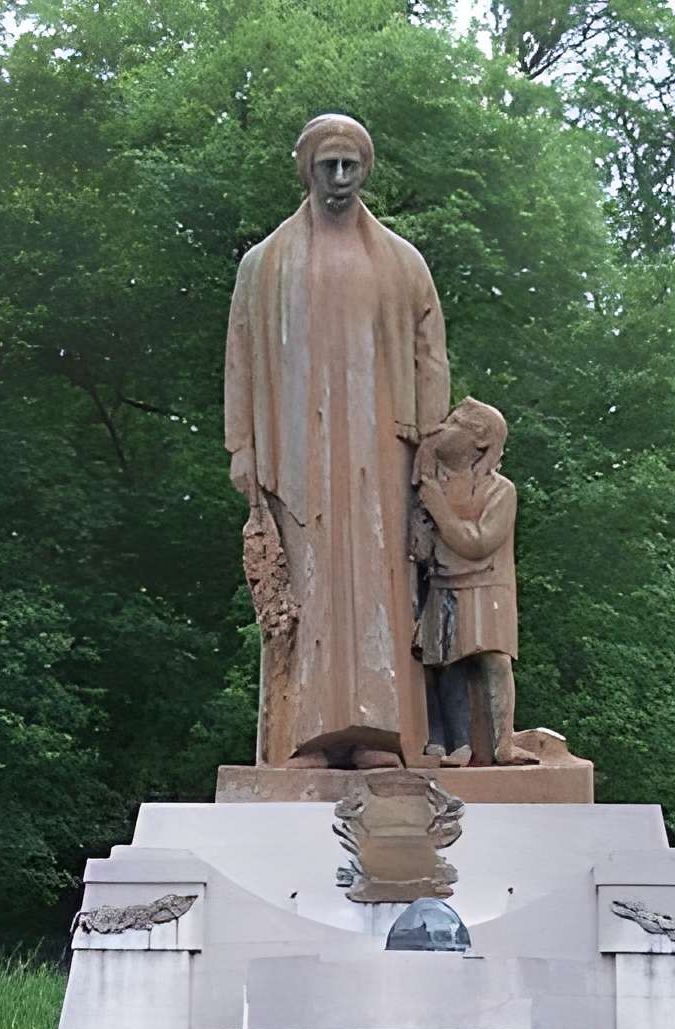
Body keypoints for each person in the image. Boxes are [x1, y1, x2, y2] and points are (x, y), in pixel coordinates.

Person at [223, 114, 448, 769]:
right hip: (296, 453)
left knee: (382, 589)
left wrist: (430, 442)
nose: (341, 178)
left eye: (352, 165)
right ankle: (305, 735)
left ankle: (380, 735)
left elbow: (430, 355)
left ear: (367, 169)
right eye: (330, 165)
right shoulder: (264, 265)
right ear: (308, 169)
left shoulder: (403, 263)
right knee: (308, 590)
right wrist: (242, 447)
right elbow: (240, 358)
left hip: (384, 450)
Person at [411, 398, 531, 766]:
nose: (442, 429)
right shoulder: (437, 486)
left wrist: (437, 507)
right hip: (444, 584)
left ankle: (504, 742)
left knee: (496, 660)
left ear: (479, 440)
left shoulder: (500, 490)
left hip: (488, 586)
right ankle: (455, 745)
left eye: (454, 423)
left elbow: (478, 543)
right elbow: (421, 548)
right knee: (443, 664)